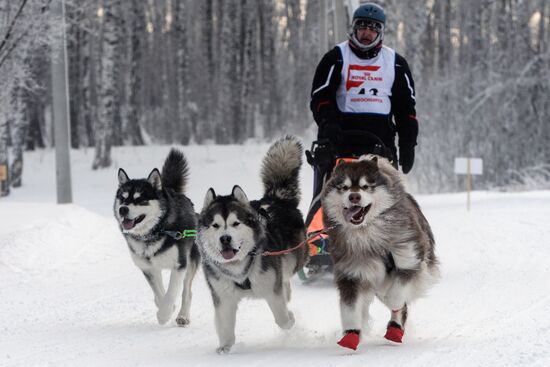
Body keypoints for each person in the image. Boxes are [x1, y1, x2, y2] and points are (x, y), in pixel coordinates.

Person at [305, 2, 419, 239]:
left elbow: (406, 109)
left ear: (380, 32)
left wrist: (408, 144)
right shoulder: (336, 57)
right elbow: (320, 98)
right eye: (362, 27)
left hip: (381, 146)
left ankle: (390, 244)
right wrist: (329, 124)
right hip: (339, 143)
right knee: (332, 196)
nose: (366, 33)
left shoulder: (396, 63)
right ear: (353, 28)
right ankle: (321, 242)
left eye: (373, 29)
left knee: (385, 198)